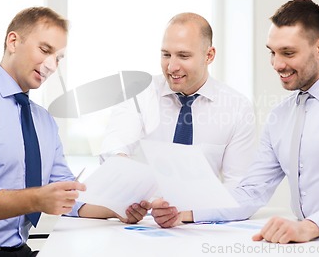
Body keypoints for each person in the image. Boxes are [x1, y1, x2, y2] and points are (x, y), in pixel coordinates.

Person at [152, 0, 319, 251]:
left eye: (288, 53)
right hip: (309, 248)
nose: (277, 64)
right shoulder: (280, 115)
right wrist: (185, 212)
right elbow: (250, 192)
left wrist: (310, 226)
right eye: (272, 52)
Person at [0, 7, 149, 257]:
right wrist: (36, 199)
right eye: (45, 50)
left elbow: (65, 192)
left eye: (59, 57)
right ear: (13, 41)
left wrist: (117, 209)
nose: (52, 65)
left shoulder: (44, 122)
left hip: (17, 250)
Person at [101, 12, 257, 224]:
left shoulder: (237, 108)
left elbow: (240, 190)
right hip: (140, 221)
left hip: (199, 225)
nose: (171, 67)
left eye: (183, 56)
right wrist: (125, 179)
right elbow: (114, 145)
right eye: (166, 55)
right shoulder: (139, 94)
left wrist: (187, 214)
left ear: (209, 55)